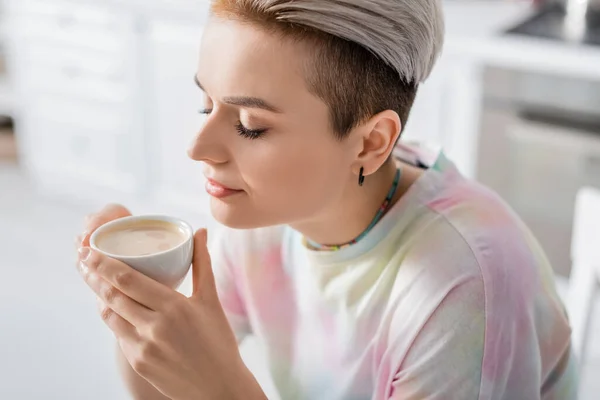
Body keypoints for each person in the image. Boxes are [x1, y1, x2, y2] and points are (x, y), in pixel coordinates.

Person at [75, 0, 577, 399]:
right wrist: (136, 297)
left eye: (250, 126)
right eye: (205, 103)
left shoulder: (466, 292)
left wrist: (224, 390)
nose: (197, 147)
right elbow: (162, 389)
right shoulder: (268, 212)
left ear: (371, 143)